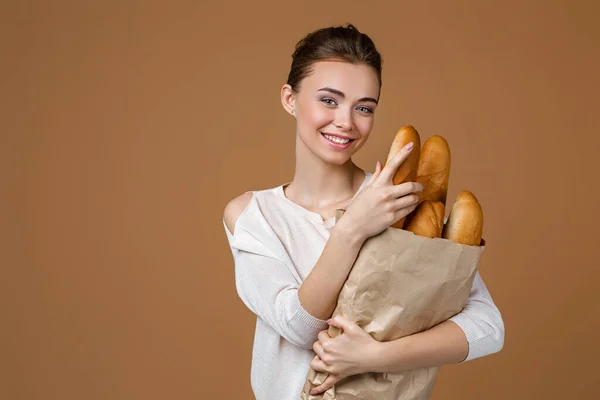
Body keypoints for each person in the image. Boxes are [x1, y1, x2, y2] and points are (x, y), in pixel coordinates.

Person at [223, 24, 504, 399]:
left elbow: (487, 328)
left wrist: (376, 356)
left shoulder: (400, 201)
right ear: (290, 98)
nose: (346, 121)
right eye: (328, 100)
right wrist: (352, 227)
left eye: (364, 107)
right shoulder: (252, 215)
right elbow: (299, 326)